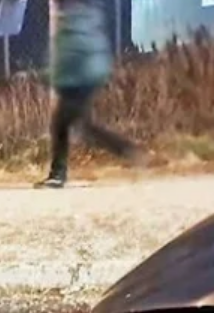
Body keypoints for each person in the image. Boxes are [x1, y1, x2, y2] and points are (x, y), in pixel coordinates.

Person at [37, 0, 142, 188]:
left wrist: (54, 75)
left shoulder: (73, 19)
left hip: (79, 74)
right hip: (88, 71)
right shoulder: (85, 13)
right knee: (82, 127)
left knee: (61, 123)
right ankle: (129, 151)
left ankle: (58, 174)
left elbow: (72, 49)